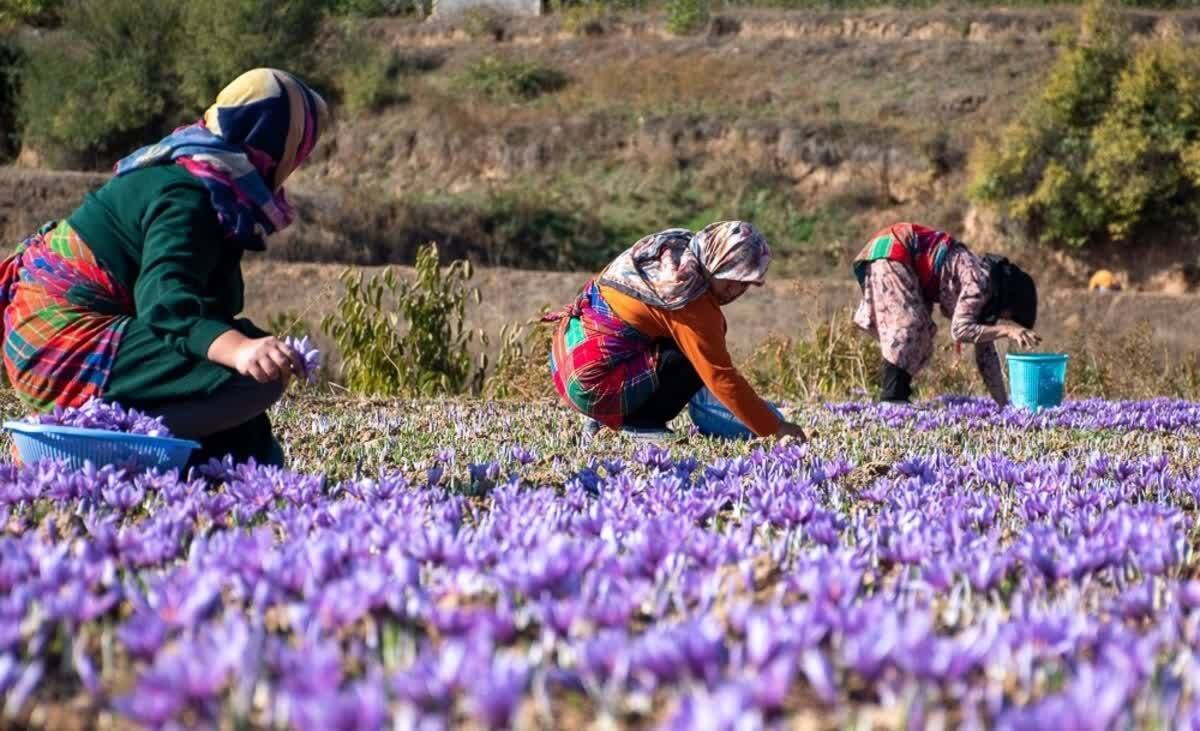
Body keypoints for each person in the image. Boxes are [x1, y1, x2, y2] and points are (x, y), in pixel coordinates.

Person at [0, 68, 329, 466]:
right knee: (255, 379)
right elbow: (164, 300)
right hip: (62, 345)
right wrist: (240, 350)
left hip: (57, 336)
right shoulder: (188, 193)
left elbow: (200, 307)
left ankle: (200, 459)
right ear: (274, 146)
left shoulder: (206, 177)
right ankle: (82, 438)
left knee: (243, 438)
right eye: (298, 150)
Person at [546, 221, 808, 441]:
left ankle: (599, 417)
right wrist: (774, 428)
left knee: (680, 343)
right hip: (591, 384)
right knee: (693, 358)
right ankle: (642, 424)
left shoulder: (670, 252)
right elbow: (721, 377)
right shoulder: (690, 299)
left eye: (744, 284)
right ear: (714, 262)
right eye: (729, 278)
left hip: (566, 358)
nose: (734, 291)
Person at [852, 222, 1040, 406]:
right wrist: (1007, 331)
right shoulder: (980, 281)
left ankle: (898, 396)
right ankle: (892, 401)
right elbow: (960, 330)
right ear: (1008, 299)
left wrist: (1003, 405)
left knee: (923, 334)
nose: (1003, 319)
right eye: (1008, 315)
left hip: (904, 259)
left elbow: (986, 356)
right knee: (909, 326)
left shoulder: (986, 298)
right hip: (894, 250)